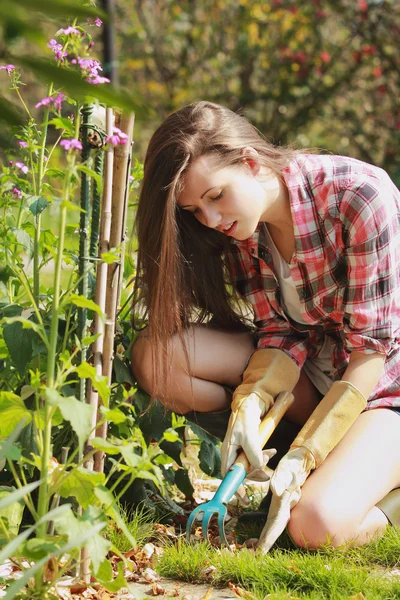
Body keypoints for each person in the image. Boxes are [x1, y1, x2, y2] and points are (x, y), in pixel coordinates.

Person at [131, 100, 400, 550]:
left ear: (251, 162)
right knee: (157, 358)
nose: (211, 220)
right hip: (314, 379)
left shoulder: (359, 196)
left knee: (314, 526)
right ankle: (278, 456)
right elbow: (279, 331)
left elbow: (370, 352)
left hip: (381, 391)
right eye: (195, 209)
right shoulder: (241, 227)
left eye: (215, 196)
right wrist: (252, 401)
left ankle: (357, 481)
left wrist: (308, 450)